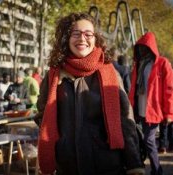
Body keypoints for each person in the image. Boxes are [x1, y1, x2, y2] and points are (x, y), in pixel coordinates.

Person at [35, 12, 144, 175]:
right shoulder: (53, 75)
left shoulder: (110, 74)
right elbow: (43, 115)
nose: (82, 39)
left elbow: (125, 121)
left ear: (95, 39)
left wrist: (134, 164)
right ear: (66, 38)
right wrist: (62, 142)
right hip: (68, 167)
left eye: (88, 34)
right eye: (76, 33)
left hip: (107, 165)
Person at [128, 32, 173, 175]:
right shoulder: (138, 64)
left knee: (149, 141)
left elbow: (170, 90)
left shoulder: (162, 63)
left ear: (150, 47)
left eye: (144, 47)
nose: (141, 50)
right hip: (139, 108)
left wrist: (169, 113)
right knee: (141, 139)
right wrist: (130, 108)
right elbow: (133, 88)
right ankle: (142, 166)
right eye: (139, 47)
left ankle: (157, 170)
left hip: (153, 110)